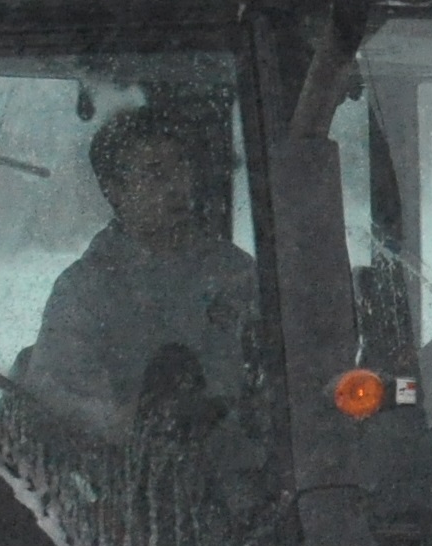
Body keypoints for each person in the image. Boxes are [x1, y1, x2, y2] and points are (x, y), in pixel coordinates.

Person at [20, 100, 259, 433]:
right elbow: (57, 402)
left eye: (182, 167)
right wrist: (136, 422)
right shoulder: (84, 291)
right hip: (119, 475)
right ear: (115, 190)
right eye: (156, 174)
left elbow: (271, 380)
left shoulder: (235, 273)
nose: (177, 185)